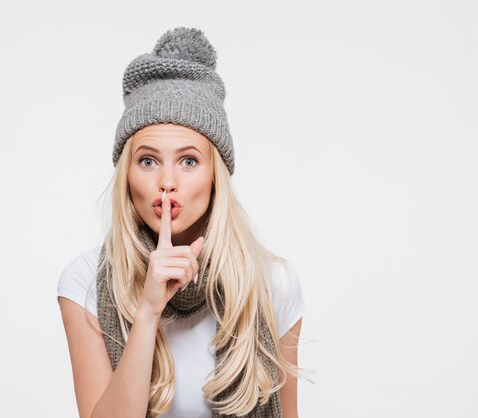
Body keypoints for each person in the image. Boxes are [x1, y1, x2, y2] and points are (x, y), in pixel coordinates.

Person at [57, 27, 307, 418]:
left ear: (214, 176)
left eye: (188, 161)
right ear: (127, 174)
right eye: (148, 160)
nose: (167, 182)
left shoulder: (274, 283)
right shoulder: (85, 282)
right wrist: (148, 311)